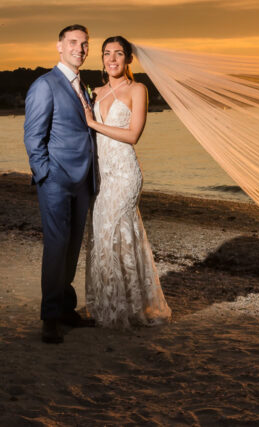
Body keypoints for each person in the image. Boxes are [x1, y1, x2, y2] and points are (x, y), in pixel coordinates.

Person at [80, 36, 171, 327]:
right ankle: (107, 306)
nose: (112, 59)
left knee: (119, 236)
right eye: (107, 54)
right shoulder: (95, 92)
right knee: (102, 239)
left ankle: (129, 308)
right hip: (101, 175)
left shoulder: (138, 89)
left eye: (118, 54)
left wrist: (92, 123)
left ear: (129, 59)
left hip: (125, 173)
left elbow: (133, 135)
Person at [23, 24, 97, 343]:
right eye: (73, 43)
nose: (79, 49)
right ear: (59, 46)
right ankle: (50, 318)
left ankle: (66, 309)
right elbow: (33, 136)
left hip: (83, 182)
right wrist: (45, 174)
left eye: (84, 44)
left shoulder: (85, 86)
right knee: (56, 248)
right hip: (56, 181)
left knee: (71, 249)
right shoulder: (45, 85)